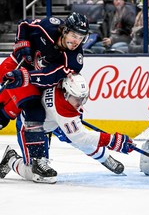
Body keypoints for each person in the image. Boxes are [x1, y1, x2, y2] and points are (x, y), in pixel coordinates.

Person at [0, 12, 90, 181]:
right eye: (74, 35)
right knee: (3, 115)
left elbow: (50, 75)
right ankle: (26, 159)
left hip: (29, 82)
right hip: (12, 69)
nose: (77, 41)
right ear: (64, 30)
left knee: (34, 110)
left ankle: (37, 160)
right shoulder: (49, 26)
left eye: (81, 37)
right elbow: (24, 25)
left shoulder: (74, 60)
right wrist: (22, 44)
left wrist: (25, 76)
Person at [0, 73, 133, 183]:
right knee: (37, 175)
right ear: (66, 93)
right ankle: (12, 159)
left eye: (83, 99)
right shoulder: (63, 109)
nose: (80, 103)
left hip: (52, 119)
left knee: (75, 138)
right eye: (76, 99)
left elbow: (78, 137)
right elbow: (81, 137)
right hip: (30, 127)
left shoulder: (64, 92)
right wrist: (112, 140)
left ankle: (105, 159)